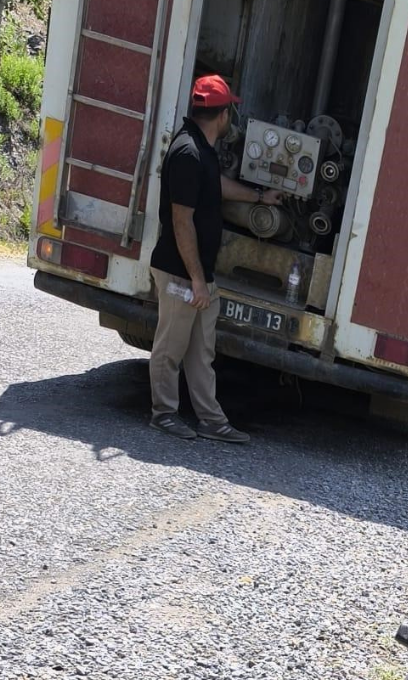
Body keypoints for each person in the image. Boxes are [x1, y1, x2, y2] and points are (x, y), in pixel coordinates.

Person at [148, 74, 282, 443]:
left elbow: (218, 186)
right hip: (180, 273)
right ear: (223, 115)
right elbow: (181, 219)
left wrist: (259, 197)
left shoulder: (201, 151)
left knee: (200, 353)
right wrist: (194, 279)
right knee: (170, 348)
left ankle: (211, 420)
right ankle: (163, 414)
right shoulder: (188, 153)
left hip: (197, 273)